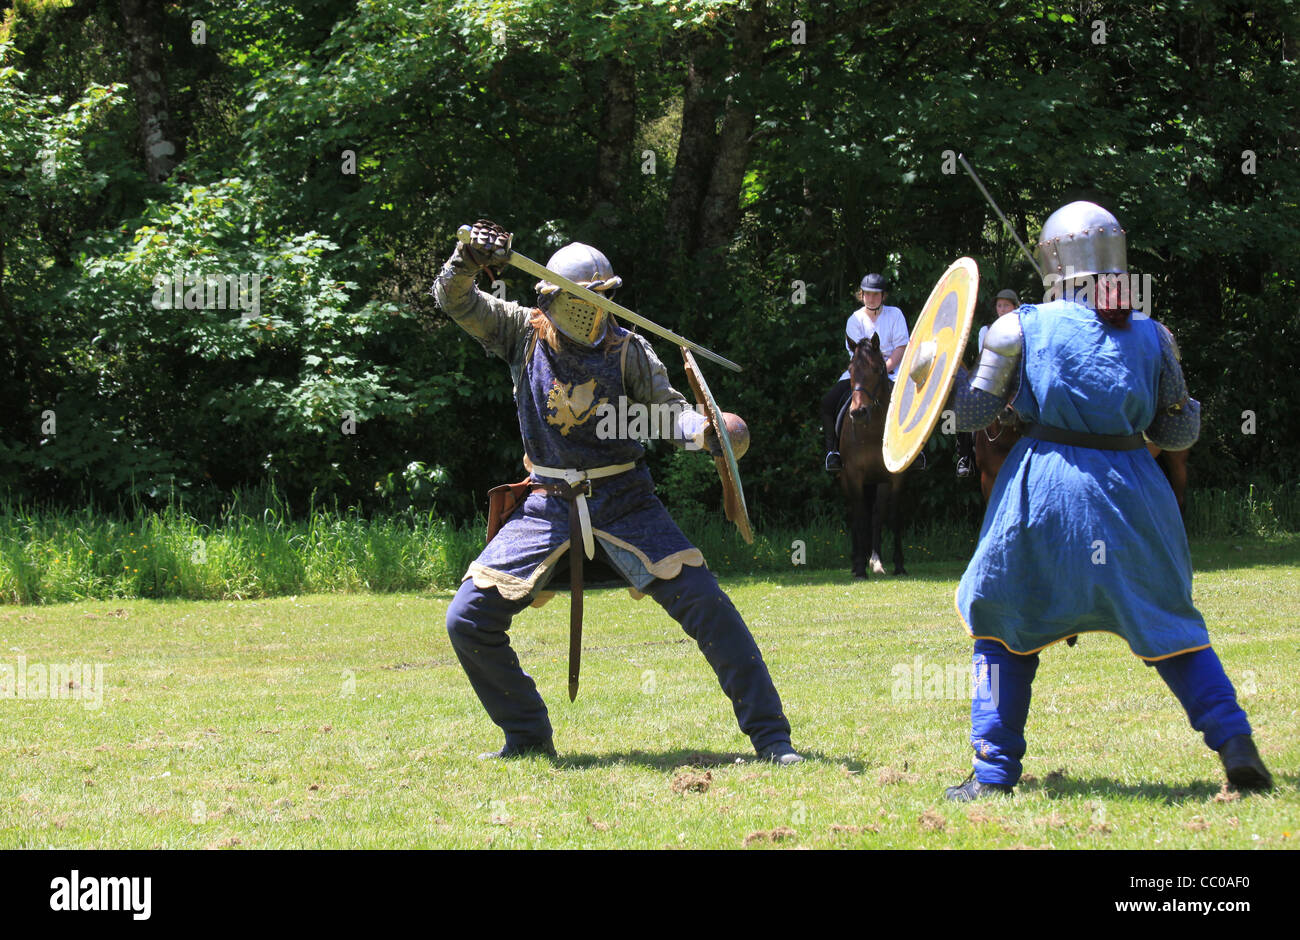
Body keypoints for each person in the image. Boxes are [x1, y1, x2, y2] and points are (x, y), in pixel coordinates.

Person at [934, 201, 1271, 800]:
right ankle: (1237, 745)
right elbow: (1175, 436)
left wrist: (933, 381)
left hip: (1046, 494)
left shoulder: (1017, 328)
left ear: (1051, 260)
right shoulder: (1154, 335)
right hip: (1134, 495)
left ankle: (992, 775)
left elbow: (973, 414)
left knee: (1001, 624)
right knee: (1173, 627)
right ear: (1115, 259)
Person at [432, 220, 802, 764]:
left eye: (603, 298)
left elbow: (666, 412)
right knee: (466, 618)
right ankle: (527, 734)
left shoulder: (630, 351)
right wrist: (465, 259)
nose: (595, 310)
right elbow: (453, 298)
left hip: (626, 500)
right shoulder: (520, 331)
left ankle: (772, 739)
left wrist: (704, 433)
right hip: (548, 503)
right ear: (552, 297)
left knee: (708, 605)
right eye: (584, 299)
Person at [822, 273, 910, 472]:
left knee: (910, 401)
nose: (871, 298)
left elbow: (901, 347)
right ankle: (832, 452)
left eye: (876, 294)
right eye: (868, 294)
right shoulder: (855, 319)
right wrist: (873, 373)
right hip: (861, 374)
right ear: (861, 295)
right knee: (828, 402)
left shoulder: (895, 314)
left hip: (892, 370)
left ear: (883, 296)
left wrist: (884, 369)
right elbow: (859, 354)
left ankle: (914, 450)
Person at [956, 288, 1019, 479]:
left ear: (1015, 307)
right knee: (964, 407)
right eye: (999, 306)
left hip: (1017, 378)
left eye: (1006, 305)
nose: (1002, 309)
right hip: (992, 377)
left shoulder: (1023, 329)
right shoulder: (986, 330)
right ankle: (965, 456)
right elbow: (987, 359)